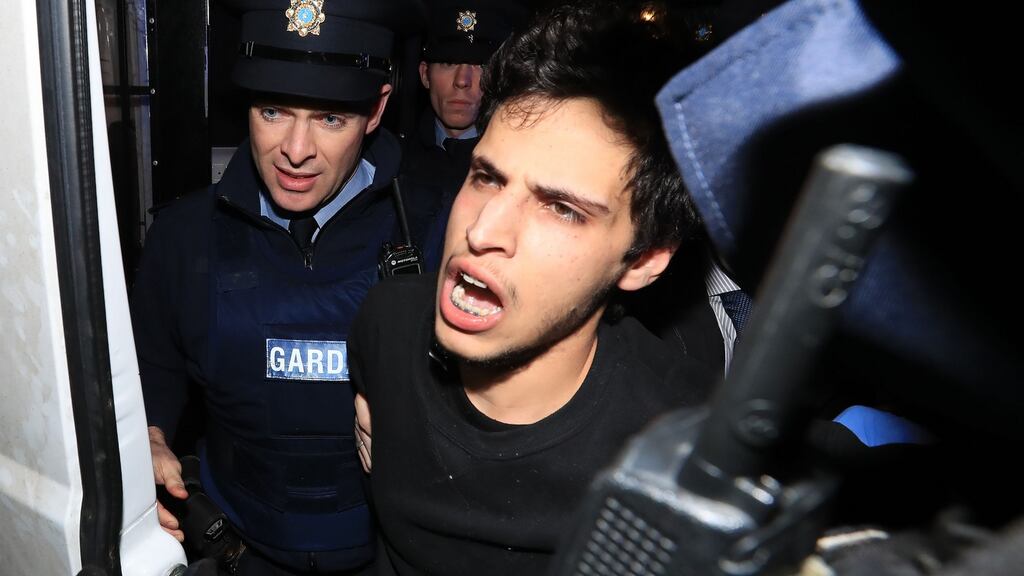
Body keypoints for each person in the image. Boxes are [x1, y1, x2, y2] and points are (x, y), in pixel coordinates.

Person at [348, 2, 714, 574]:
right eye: (486, 177)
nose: (482, 228)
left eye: (563, 210)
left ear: (643, 259)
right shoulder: (385, 323)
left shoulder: (683, 449)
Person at [129, 0, 427, 573]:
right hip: (241, 550)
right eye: (273, 112)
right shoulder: (183, 236)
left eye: (330, 119)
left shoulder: (441, 229)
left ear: (376, 110)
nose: (295, 150)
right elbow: (152, 367)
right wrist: (148, 438)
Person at [403, 1, 523, 204]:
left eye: (480, 65)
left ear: (501, 78)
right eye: (448, 63)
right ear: (425, 75)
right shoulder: (388, 163)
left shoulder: (523, 167)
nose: (462, 81)